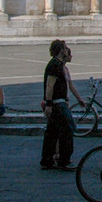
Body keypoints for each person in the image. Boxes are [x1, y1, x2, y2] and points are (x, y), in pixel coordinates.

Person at [40, 40, 78, 168]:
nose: (68, 50)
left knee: (52, 132)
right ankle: (64, 160)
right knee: (67, 130)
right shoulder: (55, 65)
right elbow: (50, 85)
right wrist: (49, 104)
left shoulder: (56, 64)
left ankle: (47, 160)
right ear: (61, 50)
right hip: (57, 103)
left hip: (56, 102)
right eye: (66, 48)